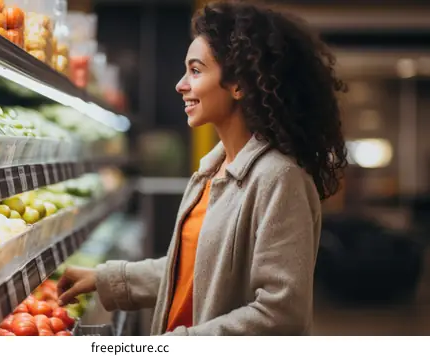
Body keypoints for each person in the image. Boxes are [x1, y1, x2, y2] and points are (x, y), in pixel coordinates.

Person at [57, 0, 348, 336]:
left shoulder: (279, 179)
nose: (181, 85)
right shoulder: (213, 171)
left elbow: (281, 314)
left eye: (195, 71)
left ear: (238, 84)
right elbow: (199, 269)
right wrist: (106, 278)